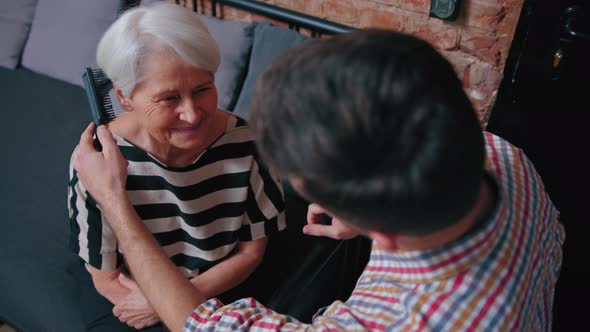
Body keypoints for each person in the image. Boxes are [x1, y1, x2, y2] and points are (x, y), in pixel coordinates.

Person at [73, 29, 565, 331]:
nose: (193, 113)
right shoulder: (502, 153)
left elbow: (204, 327)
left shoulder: (389, 321)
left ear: (386, 237)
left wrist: (113, 198)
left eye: (204, 90)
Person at [67, 3, 285, 330]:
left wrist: (174, 303)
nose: (193, 114)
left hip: (218, 289)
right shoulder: (95, 162)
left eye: (202, 89)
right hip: (131, 296)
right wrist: (163, 303)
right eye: (169, 98)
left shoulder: (248, 143)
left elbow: (251, 253)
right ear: (124, 97)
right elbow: (106, 276)